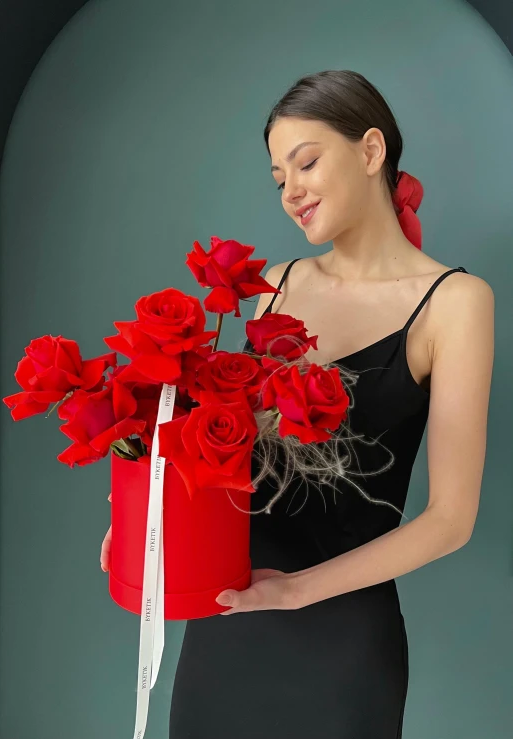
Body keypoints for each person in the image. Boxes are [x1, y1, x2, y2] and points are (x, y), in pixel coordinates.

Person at [100, 70, 494, 738]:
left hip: (342, 641)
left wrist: (292, 591)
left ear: (371, 152)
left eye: (306, 162)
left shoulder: (456, 303)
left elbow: (451, 519)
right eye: (279, 177)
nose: (291, 192)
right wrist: (145, 516)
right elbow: (230, 454)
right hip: (224, 621)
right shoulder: (275, 285)